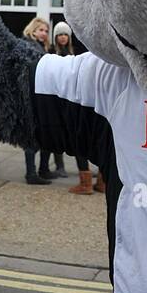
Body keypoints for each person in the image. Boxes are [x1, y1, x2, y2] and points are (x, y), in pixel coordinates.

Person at [56, 21, 98, 195]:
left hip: (78, 101)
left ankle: (88, 183)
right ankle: (90, 181)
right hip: (68, 100)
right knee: (80, 140)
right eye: (60, 34)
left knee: (82, 140)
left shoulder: (76, 53)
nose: (63, 37)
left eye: (66, 34)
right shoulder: (54, 53)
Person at [22, 17, 52, 185]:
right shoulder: (28, 46)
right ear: (33, 30)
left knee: (42, 134)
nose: (44, 33)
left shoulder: (41, 47)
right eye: (41, 30)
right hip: (30, 97)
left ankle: (42, 169)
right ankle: (31, 173)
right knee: (32, 136)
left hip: (39, 95)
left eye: (46, 31)